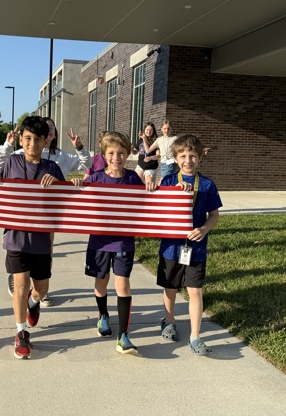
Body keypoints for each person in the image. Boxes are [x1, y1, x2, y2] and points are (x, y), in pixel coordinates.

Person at [0, 116, 65, 359]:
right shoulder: (11, 162)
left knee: (40, 289)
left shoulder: (52, 168)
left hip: (41, 241)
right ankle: (21, 333)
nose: (32, 144)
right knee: (20, 285)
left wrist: (61, 184)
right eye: (28, 139)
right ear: (21, 139)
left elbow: (68, 201)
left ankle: (33, 304)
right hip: (16, 238)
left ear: (46, 142)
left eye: (38, 140)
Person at [71, 132, 155, 355]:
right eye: (111, 153)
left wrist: (150, 185)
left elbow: (146, 203)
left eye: (121, 153)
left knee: (122, 285)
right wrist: (79, 184)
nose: (116, 157)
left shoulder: (132, 179)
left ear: (128, 154)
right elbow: (76, 199)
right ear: (104, 155)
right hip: (99, 242)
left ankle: (123, 335)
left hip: (123, 242)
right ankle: (103, 316)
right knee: (101, 282)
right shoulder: (96, 178)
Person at [0, 117, 91, 306]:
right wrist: (8, 144)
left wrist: (79, 150)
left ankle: (40, 289)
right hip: (22, 217)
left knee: (47, 250)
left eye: (52, 130)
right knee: (23, 261)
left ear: (49, 137)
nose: (50, 132)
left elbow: (81, 170)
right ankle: (19, 279)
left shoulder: (62, 157)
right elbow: (0, 163)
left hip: (47, 214)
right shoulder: (24, 152)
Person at [156, 134, 222, 355]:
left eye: (192, 156)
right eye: (183, 156)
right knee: (171, 287)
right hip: (170, 247)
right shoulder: (167, 182)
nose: (188, 160)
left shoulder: (206, 185)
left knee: (195, 290)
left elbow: (214, 214)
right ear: (175, 158)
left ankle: (195, 336)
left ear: (200, 157)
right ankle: (169, 320)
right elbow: (157, 212)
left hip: (196, 248)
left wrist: (204, 229)